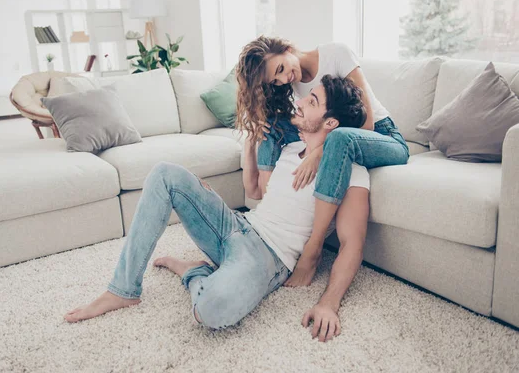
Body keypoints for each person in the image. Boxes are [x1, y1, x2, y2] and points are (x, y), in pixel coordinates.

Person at [64, 75, 369, 342]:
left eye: (312, 100)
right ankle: (123, 290)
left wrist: (329, 303)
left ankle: (196, 271)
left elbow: (351, 245)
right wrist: (203, 197)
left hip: (267, 257)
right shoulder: (290, 148)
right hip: (238, 224)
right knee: (165, 174)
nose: (300, 101)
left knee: (210, 310)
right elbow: (261, 195)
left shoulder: (351, 171)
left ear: (331, 123)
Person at [235, 36, 409, 288]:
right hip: (338, 134)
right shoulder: (290, 86)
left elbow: (366, 123)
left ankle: (312, 252)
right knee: (271, 125)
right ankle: (270, 202)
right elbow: (312, 123)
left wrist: (318, 153)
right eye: (275, 79)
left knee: (339, 137)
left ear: (286, 48)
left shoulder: (336, 53)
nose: (284, 79)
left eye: (281, 69)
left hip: (380, 135)